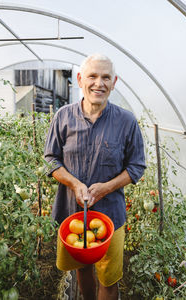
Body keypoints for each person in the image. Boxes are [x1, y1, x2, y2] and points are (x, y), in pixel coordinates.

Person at [44, 53, 146, 300]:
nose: (98, 83)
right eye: (92, 76)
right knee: (82, 268)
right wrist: (75, 183)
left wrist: (107, 188)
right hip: (72, 212)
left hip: (111, 215)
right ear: (80, 79)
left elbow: (136, 167)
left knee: (109, 279)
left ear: (114, 82)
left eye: (105, 77)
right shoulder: (63, 117)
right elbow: (51, 158)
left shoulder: (126, 121)